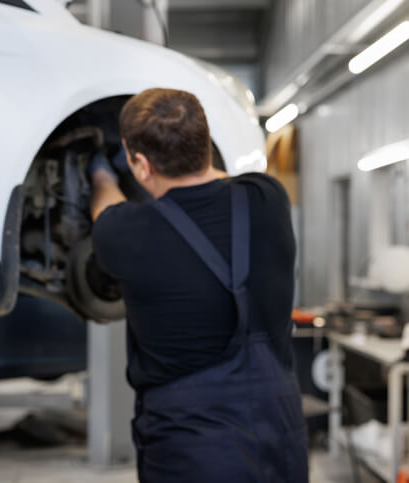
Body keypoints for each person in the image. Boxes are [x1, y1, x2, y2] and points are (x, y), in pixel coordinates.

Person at [88, 88, 308, 482]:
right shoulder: (268, 199)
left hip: (191, 450)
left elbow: (106, 209)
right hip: (280, 439)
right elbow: (226, 181)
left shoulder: (124, 233)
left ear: (140, 165)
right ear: (206, 146)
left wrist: (101, 172)